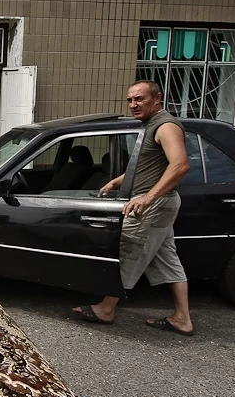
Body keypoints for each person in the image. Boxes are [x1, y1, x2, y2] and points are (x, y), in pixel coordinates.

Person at [72, 80, 194, 336]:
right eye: (130, 100)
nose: (133, 104)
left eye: (140, 99)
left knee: (128, 251)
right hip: (159, 204)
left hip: (153, 206)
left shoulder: (165, 126)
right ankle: (182, 318)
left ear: (157, 98)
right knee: (168, 258)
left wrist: (147, 198)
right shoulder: (150, 126)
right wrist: (119, 180)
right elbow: (146, 165)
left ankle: (106, 309)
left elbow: (180, 165)